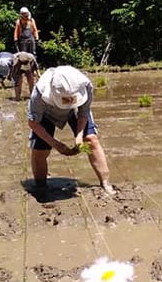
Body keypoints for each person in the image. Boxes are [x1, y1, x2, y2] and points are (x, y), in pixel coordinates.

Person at [27, 66, 116, 196]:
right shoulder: (40, 93)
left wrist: (79, 137)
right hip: (46, 114)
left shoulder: (85, 85)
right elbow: (33, 122)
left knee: (91, 140)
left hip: (75, 111)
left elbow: (83, 113)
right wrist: (56, 144)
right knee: (41, 149)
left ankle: (105, 183)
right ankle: (41, 187)